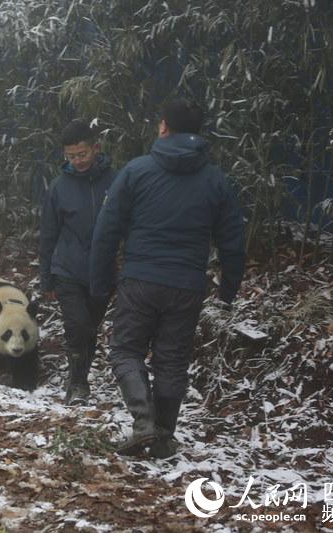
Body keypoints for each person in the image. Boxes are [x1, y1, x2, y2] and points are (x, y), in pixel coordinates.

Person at [89, 98, 245, 458]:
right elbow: (232, 239)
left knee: (126, 350)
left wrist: (100, 282)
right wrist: (229, 288)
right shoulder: (215, 180)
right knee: (172, 361)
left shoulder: (136, 171)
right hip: (187, 285)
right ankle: (163, 435)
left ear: (163, 127)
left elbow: (106, 231)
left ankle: (144, 425)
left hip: (140, 280)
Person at [40, 119, 115, 405]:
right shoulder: (59, 187)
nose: (77, 161)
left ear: (96, 148)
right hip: (67, 268)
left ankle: (80, 377)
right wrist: (46, 276)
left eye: (82, 154)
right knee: (77, 325)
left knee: (91, 328)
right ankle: (78, 384)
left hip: (102, 271)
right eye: (71, 156)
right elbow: (48, 234)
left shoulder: (115, 181)